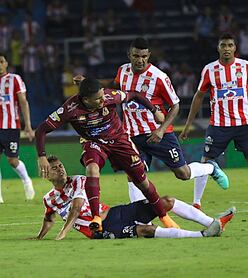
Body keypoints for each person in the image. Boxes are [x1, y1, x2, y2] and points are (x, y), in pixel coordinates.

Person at [35, 77, 179, 233]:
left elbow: (135, 95)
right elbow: (41, 130)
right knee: (92, 169)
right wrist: (42, 156)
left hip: (119, 140)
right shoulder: (70, 109)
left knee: (142, 182)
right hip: (94, 142)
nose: (103, 100)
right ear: (85, 100)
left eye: (103, 95)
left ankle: (164, 216)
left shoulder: (111, 96)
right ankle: (96, 217)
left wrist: (154, 110)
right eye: (98, 99)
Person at [107, 37, 229, 205]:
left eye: (143, 56)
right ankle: (138, 217)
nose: (140, 60)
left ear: (149, 55)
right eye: (136, 56)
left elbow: (175, 106)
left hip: (158, 134)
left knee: (183, 174)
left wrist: (161, 130)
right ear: (129, 55)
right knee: (134, 173)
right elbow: (112, 89)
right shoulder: (122, 71)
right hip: (132, 135)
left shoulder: (159, 77)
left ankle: (210, 168)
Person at [31, 155, 236, 240]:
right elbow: (49, 218)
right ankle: (202, 235)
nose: (60, 169)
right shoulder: (49, 199)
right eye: (55, 168)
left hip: (114, 212)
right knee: (146, 230)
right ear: (46, 174)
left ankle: (213, 223)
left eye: (60, 165)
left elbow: (76, 208)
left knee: (166, 201)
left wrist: (63, 234)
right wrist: (40, 237)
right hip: (101, 230)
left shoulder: (78, 180)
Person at [179, 34, 248, 215]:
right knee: (205, 161)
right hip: (218, 125)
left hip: (243, 123)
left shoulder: (245, 67)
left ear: (235, 48)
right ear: (218, 48)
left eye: (230, 45)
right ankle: (196, 203)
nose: (227, 48)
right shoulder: (210, 70)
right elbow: (199, 96)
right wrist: (188, 124)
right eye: (223, 45)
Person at [0, 52, 35, 203]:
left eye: (1, 61)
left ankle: (27, 181)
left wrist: (27, 125)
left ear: (6, 63)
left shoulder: (14, 79)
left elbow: (23, 102)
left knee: (12, 160)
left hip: (10, 126)